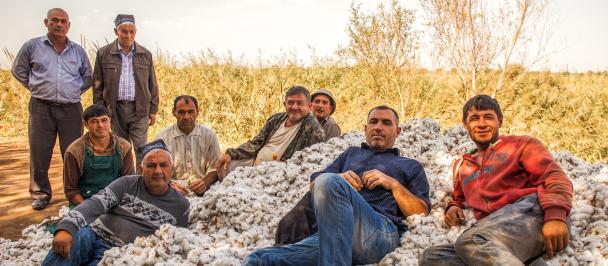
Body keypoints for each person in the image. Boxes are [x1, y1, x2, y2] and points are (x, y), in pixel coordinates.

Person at [247, 106, 431, 265]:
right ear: (365, 128)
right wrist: (340, 177)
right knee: (260, 259)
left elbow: (420, 210)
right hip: (332, 234)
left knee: (330, 180)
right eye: (373, 122)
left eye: (386, 123)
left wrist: (393, 184)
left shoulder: (410, 165)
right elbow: (316, 182)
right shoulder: (351, 153)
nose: (378, 127)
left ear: (398, 131)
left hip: (378, 234)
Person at [419, 95, 573, 266]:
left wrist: (556, 216)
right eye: (474, 118)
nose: (482, 124)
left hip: (534, 215)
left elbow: (555, 178)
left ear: (499, 121)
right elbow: (459, 198)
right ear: (465, 124)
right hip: (495, 234)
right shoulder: (462, 166)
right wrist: (453, 206)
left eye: (488, 117)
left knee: (471, 241)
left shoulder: (521, 144)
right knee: (432, 257)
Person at [42, 141, 189, 266]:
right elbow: (94, 204)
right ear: (141, 169)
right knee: (68, 245)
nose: (157, 171)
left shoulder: (181, 206)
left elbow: (174, 242)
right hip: (93, 234)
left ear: (172, 168)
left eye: (163, 165)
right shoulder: (126, 184)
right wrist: (67, 228)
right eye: (151, 166)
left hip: (121, 253)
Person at [12, 8, 93, 210]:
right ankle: (40, 193)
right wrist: (36, 87)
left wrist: (73, 91)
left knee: (73, 151)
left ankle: (74, 192)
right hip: (41, 107)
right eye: (54, 20)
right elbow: (18, 70)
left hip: (71, 108)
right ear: (46, 22)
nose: (59, 24)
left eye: (63, 21)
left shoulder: (78, 51)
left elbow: (88, 77)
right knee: (40, 151)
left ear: (69, 25)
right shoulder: (32, 46)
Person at [215, 86, 325, 177]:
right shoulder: (276, 119)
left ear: (309, 106)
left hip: (277, 175)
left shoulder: (314, 129)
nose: (294, 107)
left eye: (300, 103)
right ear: (284, 104)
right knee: (223, 166)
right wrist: (231, 154)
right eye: (290, 102)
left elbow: (309, 163)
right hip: (254, 162)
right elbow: (256, 142)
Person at [93, 14, 158, 163]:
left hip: (140, 109)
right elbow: (97, 85)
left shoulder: (145, 54)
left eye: (132, 31)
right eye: (124, 31)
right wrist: (100, 111)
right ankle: (123, 183)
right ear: (116, 31)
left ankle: (140, 182)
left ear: (136, 32)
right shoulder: (104, 53)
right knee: (119, 148)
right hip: (115, 109)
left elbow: (152, 84)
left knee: (142, 149)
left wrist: (153, 110)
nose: (128, 35)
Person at [63, 104, 135, 208]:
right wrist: (90, 208)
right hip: (85, 201)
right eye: (94, 121)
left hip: (116, 199)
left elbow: (128, 183)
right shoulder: (74, 151)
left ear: (110, 121)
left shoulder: (124, 146)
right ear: (85, 124)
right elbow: (70, 191)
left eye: (104, 120)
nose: (100, 125)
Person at [155, 95, 221, 196]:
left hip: (203, 189)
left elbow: (215, 167)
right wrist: (169, 186)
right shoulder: (162, 137)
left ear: (197, 112)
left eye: (191, 112)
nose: (186, 117)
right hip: (172, 190)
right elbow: (156, 169)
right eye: (181, 112)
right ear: (174, 113)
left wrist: (205, 183)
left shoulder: (209, 135)